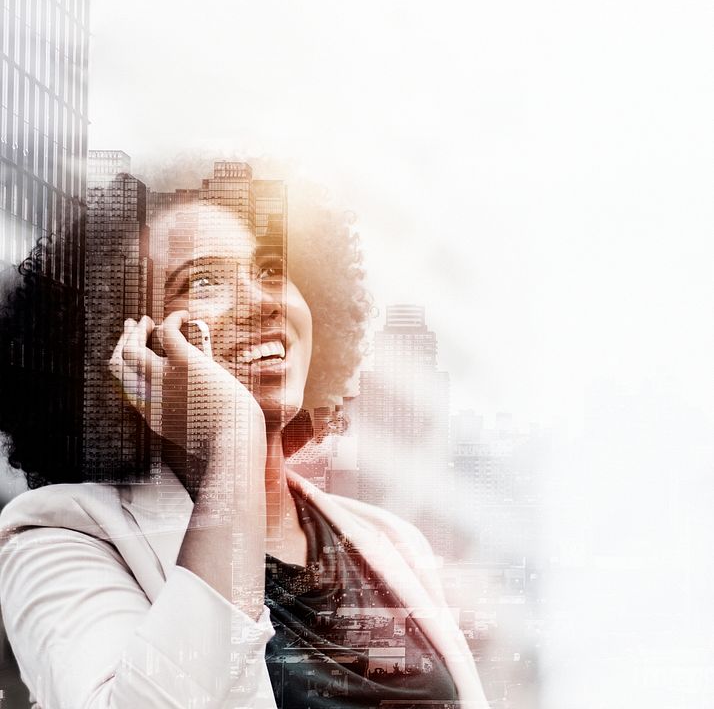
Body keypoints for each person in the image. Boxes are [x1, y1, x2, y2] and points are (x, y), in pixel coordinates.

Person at [0, 163, 487, 708]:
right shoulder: (59, 536)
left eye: (273, 269)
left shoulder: (391, 542)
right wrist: (232, 435)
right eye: (204, 281)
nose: (265, 302)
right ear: (122, 346)